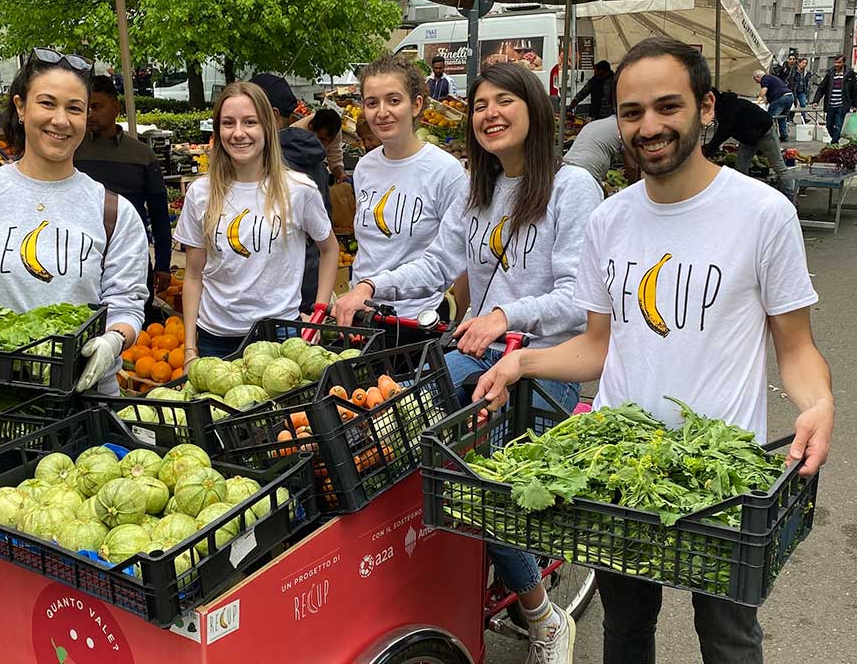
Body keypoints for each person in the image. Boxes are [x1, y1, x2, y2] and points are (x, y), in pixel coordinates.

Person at [475, 37, 834, 664]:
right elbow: (596, 347)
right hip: (619, 472)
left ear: (706, 107)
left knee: (728, 638)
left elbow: (796, 347)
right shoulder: (608, 220)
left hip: (720, 480)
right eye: (632, 112)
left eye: (668, 106)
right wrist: (522, 361)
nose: (649, 127)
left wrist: (819, 403)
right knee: (626, 628)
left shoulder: (762, 213)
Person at [336, 62, 603, 663]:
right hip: (474, 357)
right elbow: (437, 264)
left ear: (534, 109)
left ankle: (543, 615)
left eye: (505, 100)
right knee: (393, 436)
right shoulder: (476, 189)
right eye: (480, 105)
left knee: (478, 488)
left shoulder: (572, 187)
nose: (490, 114)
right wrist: (372, 286)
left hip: (543, 367)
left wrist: (506, 314)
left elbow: (578, 298)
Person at [0, 48, 150, 664]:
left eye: (75, 108)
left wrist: (115, 340)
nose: (60, 120)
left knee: (84, 567)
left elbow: (129, 301)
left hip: (79, 411)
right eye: (47, 103)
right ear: (20, 108)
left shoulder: (111, 209)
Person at [173, 82, 338, 359]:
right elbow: (192, 274)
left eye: (250, 122)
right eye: (228, 123)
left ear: (267, 127)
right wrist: (190, 348)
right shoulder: (201, 192)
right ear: (218, 130)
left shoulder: (299, 189)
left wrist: (319, 313)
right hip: (216, 340)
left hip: (281, 337)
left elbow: (330, 249)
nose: (238, 133)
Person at [331, 55, 468, 341]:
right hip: (363, 314)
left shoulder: (445, 171)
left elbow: (456, 258)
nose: (382, 112)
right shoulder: (365, 167)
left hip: (415, 321)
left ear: (416, 105)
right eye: (372, 103)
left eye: (393, 100)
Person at [75, 75, 172, 325]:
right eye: (85, 107)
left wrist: (163, 264)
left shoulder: (142, 154)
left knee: (133, 325)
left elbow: (159, 214)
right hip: (81, 259)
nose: (90, 114)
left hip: (132, 258)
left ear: (116, 107)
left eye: (97, 106)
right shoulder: (72, 152)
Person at [250, 73, 333, 314]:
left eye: (250, 116)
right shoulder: (315, 157)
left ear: (273, 114)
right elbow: (324, 221)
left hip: (276, 286)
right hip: (308, 276)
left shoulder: (269, 162)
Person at [704, 88, 795, 198]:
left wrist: (707, 152)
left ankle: (791, 196)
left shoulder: (729, 107)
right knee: (740, 169)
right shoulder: (724, 106)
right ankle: (744, 197)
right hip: (749, 138)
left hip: (765, 133)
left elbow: (723, 132)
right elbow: (725, 131)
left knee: (778, 166)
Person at [563, 115, 637, 185]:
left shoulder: (595, 123)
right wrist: (633, 188)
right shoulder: (623, 129)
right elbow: (631, 168)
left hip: (565, 168)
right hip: (588, 170)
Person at [813, 54, 857, 144]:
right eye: (835, 62)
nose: (837, 65)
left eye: (839, 63)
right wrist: (816, 101)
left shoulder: (850, 74)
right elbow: (821, 88)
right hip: (830, 104)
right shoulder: (830, 73)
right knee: (829, 125)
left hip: (842, 105)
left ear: (843, 63)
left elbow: (854, 90)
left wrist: (855, 105)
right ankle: (835, 142)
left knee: (838, 125)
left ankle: (833, 143)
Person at [293, 108, 346, 182]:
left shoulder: (334, 130)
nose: (326, 144)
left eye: (330, 140)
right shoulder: (296, 134)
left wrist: (341, 175)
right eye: (322, 139)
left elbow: (335, 158)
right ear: (310, 128)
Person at [753, 69, 793, 143]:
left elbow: (764, 89)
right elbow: (774, 92)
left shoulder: (764, 78)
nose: (756, 82)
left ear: (758, 76)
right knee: (782, 117)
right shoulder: (772, 78)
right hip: (789, 96)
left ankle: (770, 137)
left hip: (780, 98)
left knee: (770, 118)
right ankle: (784, 136)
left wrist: (758, 101)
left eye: (755, 80)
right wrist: (765, 102)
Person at [792, 57, 813, 124]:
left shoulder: (805, 72)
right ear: (799, 63)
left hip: (802, 90)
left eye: (806, 63)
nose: (804, 65)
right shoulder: (794, 71)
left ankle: (804, 118)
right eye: (803, 63)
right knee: (794, 104)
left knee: (803, 104)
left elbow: (806, 81)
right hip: (795, 90)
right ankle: (790, 119)